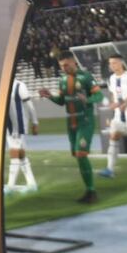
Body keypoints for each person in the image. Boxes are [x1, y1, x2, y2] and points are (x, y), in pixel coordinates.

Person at [39, 50, 103, 203]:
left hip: (85, 121)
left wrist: (87, 99)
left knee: (81, 154)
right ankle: (88, 190)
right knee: (77, 156)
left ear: (73, 62)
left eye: (66, 65)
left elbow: (99, 96)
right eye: (61, 66)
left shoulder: (86, 77)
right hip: (71, 123)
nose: (63, 68)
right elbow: (62, 101)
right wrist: (49, 96)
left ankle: (91, 192)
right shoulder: (62, 80)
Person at [4, 78, 39, 194]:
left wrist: (35, 122)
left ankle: (10, 186)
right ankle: (32, 183)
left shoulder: (19, 85)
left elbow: (29, 105)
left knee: (14, 155)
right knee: (21, 155)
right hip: (7, 125)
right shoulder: (1, 84)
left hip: (17, 126)